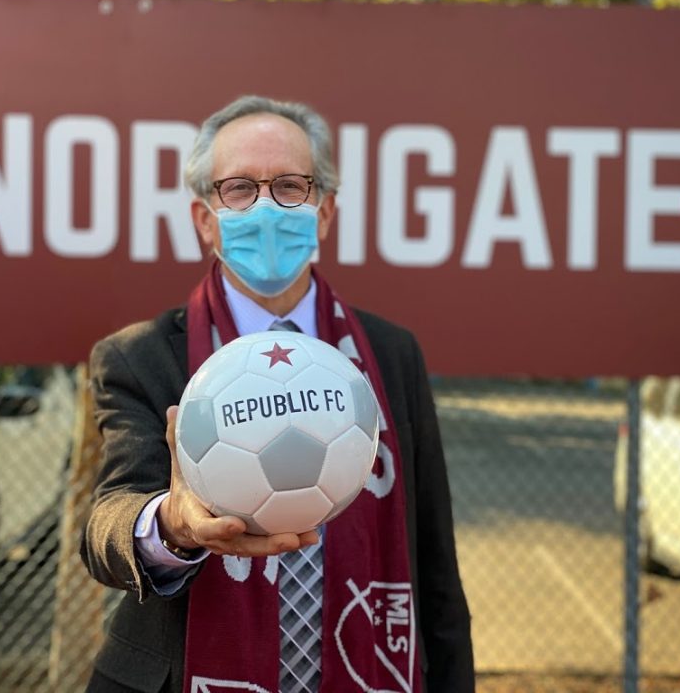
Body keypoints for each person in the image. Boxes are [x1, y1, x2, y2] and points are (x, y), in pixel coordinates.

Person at [81, 95, 474, 693]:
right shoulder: (140, 356)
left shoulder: (391, 355)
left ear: (325, 211)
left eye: (291, 185)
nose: (266, 206)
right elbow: (106, 524)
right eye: (238, 188)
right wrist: (172, 525)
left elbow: (435, 566)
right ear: (204, 218)